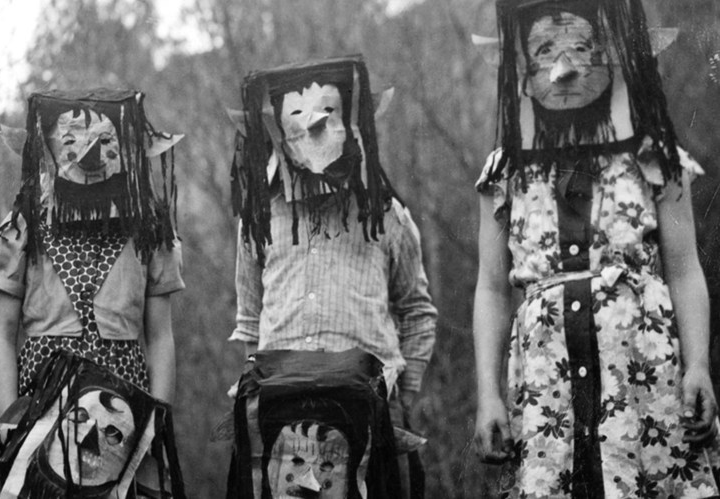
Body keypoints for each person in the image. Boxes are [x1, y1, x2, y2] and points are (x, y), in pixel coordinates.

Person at [472, 1, 720, 497]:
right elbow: (492, 290)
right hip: (546, 395)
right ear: (522, 65)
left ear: (609, 54)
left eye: (581, 48)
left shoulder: (653, 156)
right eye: (544, 49)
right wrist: (488, 396)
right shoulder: (506, 171)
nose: (563, 68)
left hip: (644, 386)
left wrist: (697, 366)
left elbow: (686, 270)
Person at [227, 55, 437, 499]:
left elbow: (417, 312)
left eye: (327, 113)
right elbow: (249, 321)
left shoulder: (385, 216)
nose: (314, 128)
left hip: (368, 409)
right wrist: (256, 390)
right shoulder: (260, 220)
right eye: (297, 118)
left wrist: (402, 393)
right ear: (277, 131)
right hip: (281, 415)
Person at [0, 89, 185, 499]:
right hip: (41, 401)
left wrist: (154, 421)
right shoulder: (24, 226)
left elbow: (161, 336)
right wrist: (9, 421)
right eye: (70, 141)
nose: (89, 153)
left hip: (123, 404)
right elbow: (1, 334)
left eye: (106, 142)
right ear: (49, 149)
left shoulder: (148, 229)